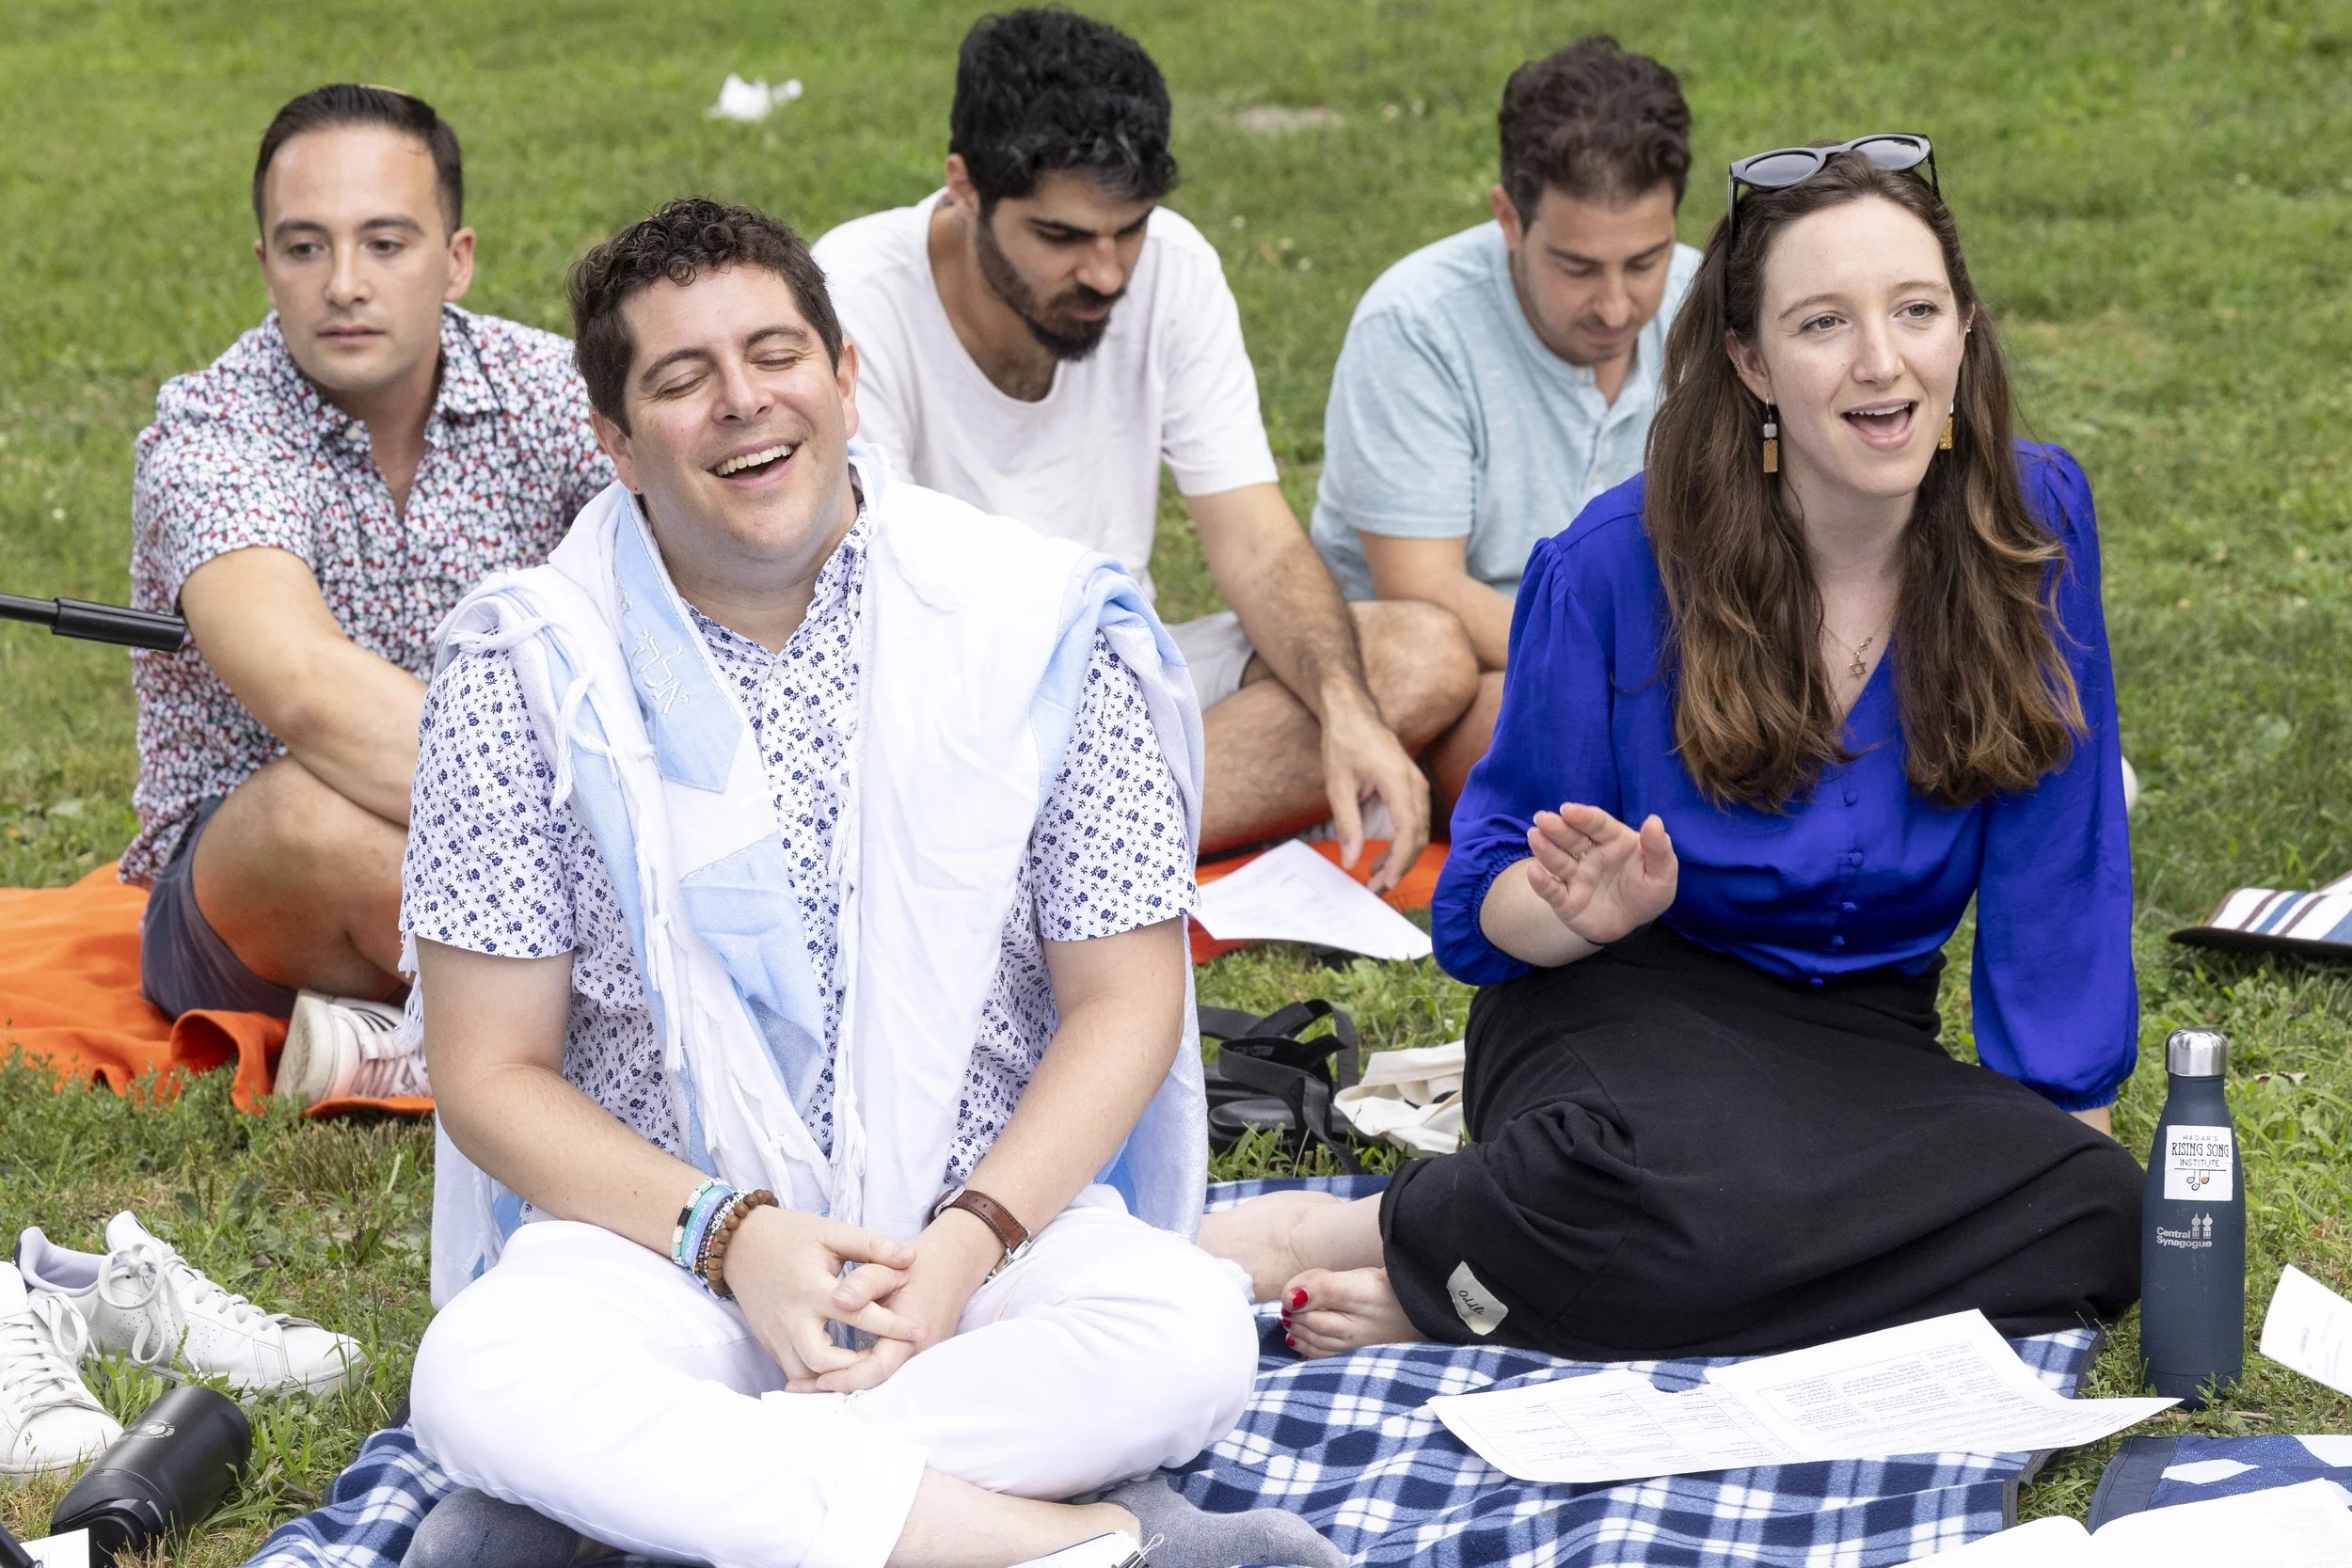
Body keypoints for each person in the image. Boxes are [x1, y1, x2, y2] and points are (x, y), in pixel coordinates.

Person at [399, 198, 1344, 1568]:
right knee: (479, 1373)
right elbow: (490, 1071)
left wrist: (962, 1248)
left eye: (775, 354)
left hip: (976, 1249)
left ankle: (708, 1508)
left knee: (1185, 1335)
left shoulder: (1034, 623)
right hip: (666, 1249)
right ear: (615, 445)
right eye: (680, 378)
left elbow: (1125, 1003)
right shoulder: (522, 668)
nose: (741, 403)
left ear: (845, 377)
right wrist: (734, 1237)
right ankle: (1070, 1543)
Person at [1203, 141, 2144, 1364]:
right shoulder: (1611, 564)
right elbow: (1481, 912)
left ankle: (1483, 1285)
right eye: (1822, 323)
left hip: (1860, 1040)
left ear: (1963, 327)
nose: (1881, 361)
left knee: (2106, 1216)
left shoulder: (2031, 523)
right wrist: (1572, 909)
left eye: (1916, 310)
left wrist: (2048, 1152)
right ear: (1750, 362)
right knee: (1616, 1177)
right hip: (1621, 1005)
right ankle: (1362, 1234)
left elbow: (2058, 870)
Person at [812, 8, 1477, 891]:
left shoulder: (1176, 268)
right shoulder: (853, 297)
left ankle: (1046, 863)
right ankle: (1097, 850)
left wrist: (1346, 710)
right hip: (953, 705)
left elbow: (1257, 542)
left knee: (1419, 656)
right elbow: (880, 623)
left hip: (1126, 673)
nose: (1107, 272)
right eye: (1061, 237)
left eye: (1128, 229)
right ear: (963, 186)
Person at [121, 84, 612, 1102]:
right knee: (314, 815)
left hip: (527, 834)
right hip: (250, 888)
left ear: (457, 257)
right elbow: (308, 691)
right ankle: (620, 1009)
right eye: (306, 248)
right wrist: (614, 831)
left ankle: (428, 1030)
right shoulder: (211, 432)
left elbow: (699, 561)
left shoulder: (555, 391)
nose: (345, 283)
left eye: (386, 244)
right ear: (266, 265)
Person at [1310, 36, 1701, 816]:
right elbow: (1421, 590)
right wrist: (1636, 672)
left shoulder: (1704, 306)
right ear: (1509, 219)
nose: (1618, 306)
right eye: (1579, 267)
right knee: (1563, 751)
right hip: (1451, 675)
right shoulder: (1415, 323)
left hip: (1646, 660)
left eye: (1645, 261)